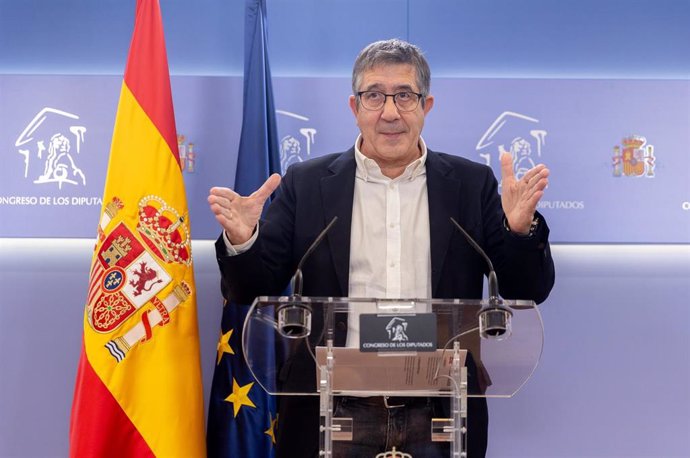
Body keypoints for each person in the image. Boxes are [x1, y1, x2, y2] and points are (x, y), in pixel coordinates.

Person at [208, 38, 555, 458]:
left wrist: (519, 232)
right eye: (374, 96)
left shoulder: (469, 184)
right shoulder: (307, 183)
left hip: (441, 411)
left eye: (404, 96)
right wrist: (244, 241)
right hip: (330, 410)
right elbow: (251, 288)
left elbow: (527, 288)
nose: (390, 112)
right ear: (355, 108)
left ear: (426, 106)